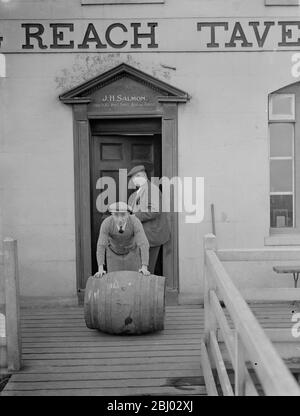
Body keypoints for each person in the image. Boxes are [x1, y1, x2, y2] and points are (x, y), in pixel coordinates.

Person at [128, 165, 170, 275]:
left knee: (147, 269)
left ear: (144, 176)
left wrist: (134, 216)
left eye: (137, 176)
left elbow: (155, 211)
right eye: (132, 178)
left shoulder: (152, 190)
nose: (134, 179)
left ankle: (147, 291)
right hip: (141, 237)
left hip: (151, 237)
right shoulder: (134, 195)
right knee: (142, 268)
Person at [95, 202, 150, 278]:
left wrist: (144, 267)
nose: (120, 219)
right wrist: (100, 268)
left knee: (133, 280)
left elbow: (143, 243)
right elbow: (101, 245)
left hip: (132, 253)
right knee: (114, 281)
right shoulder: (106, 223)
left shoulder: (135, 221)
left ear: (128, 214)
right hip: (113, 253)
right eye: (116, 215)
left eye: (123, 215)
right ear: (112, 214)